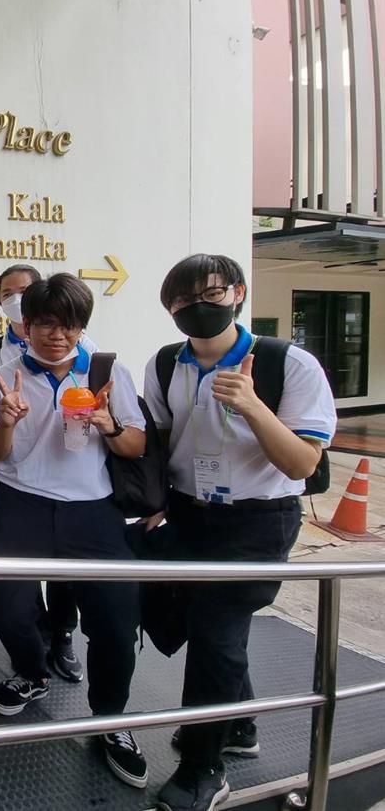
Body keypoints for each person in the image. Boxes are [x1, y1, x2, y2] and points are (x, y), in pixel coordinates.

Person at [146, 255, 336, 811]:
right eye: (183, 300)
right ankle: (240, 723)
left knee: (214, 630)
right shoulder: (166, 364)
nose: (197, 306)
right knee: (192, 620)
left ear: (238, 293)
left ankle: (202, 768)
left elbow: (302, 463)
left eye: (211, 293)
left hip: (258, 520)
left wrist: (253, 406)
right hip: (189, 514)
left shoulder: (288, 364)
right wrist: (154, 502)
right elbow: (162, 439)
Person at [0, 272, 149, 790]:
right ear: (26, 324)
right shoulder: (4, 376)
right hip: (21, 505)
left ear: (81, 327)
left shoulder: (107, 373)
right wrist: (6, 422)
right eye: (47, 324)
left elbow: (137, 445)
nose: (58, 335)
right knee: (8, 605)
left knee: (115, 620)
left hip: (93, 511)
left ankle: (111, 718)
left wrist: (109, 425)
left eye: (70, 325)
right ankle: (32, 673)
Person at [0, 263, 93, 685]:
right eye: (8, 294)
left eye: (25, 290)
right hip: (17, 486)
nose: (17, 298)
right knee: (13, 585)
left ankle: (62, 637)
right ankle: (34, 656)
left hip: (76, 494)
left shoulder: (90, 355)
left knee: (66, 579)